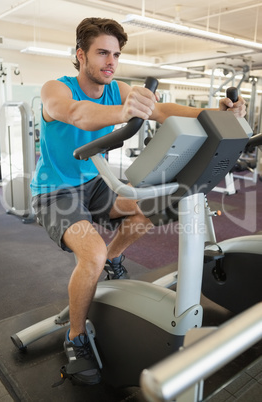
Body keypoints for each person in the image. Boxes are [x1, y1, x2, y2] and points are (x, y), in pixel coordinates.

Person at [30, 17, 246, 385]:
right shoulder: (57, 88)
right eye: (101, 53)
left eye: (115, 54)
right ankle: (76, 336)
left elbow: (164, 110)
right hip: (54, 191)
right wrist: (125, 112)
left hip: (93, 181)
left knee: (152, 207)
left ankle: (114, 258)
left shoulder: (118, 88)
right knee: (91, 255)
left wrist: (214, 116)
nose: (110, 61)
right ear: (81, 55)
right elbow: (76, 114)